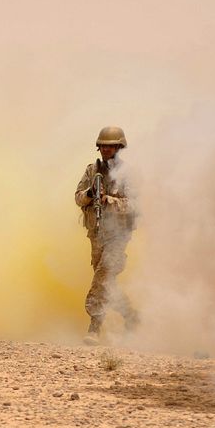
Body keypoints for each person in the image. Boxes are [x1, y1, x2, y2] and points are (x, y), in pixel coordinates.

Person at [74, 126, 139, 345]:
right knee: (106, 282)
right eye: (102, 146)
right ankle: (131, 316)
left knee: (102, 276)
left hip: (118, 235)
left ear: (119, 147)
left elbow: (134, 204)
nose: (105, 149)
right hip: (96, 233)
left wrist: (109, 200)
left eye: (110, 146)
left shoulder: (127, 174)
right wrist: (90, 194)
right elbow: (77, 197)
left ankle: (94, 326)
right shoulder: (92, 171)